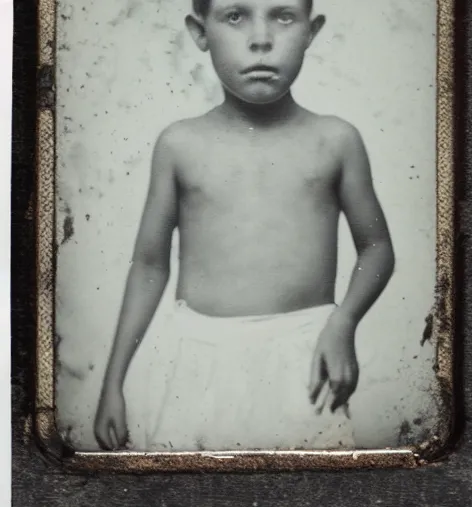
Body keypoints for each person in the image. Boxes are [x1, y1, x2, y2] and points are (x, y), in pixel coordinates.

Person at [94, 0, 395, 452]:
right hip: (196, 359)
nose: (261, 39)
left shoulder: (336, 140)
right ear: (200, 32)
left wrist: (343, 321)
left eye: (283, 16)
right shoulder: (180, 144)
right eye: (236, 16)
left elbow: (376, 247)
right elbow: (149, 265)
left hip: (305, 356)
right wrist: (112, 384)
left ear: (311, 31)